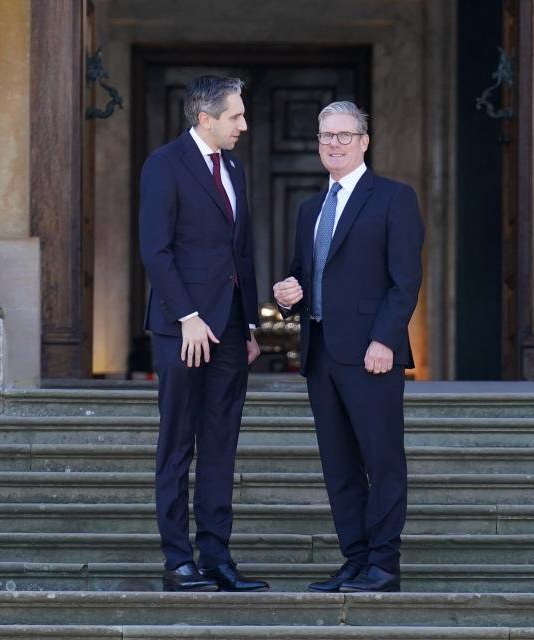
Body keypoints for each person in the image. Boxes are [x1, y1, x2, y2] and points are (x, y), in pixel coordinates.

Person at [273, 101, 424, 593]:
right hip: (320, 355)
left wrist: (385, 339)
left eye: (343, 135)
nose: (333, 144)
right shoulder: (310, 208)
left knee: (381, 460)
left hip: (371, 355)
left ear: (364, 141)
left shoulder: (393, 199)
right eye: (325, 136)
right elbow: (302, 271)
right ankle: (355, 559)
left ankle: (384, 563)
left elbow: (405, 281)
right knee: (339, 466)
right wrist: (288, 293)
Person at [139, 75, 268, 593]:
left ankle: (216, 557)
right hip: (183, 329)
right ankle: (179, 561)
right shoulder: (164, 164)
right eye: (236, 115)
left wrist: (251, 324)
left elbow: (242, 249)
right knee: (178, 444)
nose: (244, 124)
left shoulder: (234, 166)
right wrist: (187, 315)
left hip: (231, 329)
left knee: (220, 445)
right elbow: (156, 249)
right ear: (205, 118)